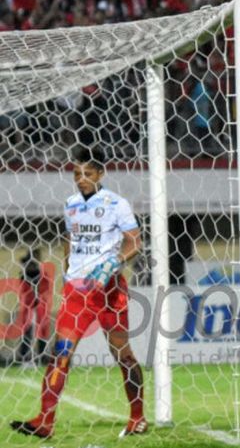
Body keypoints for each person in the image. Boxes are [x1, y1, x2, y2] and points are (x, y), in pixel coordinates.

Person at [10, 146, 147, 439]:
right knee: (61, 355)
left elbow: (135, 242)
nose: (81, 179)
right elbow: (70, 238)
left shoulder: (116, 203)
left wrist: (115, 261)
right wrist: (69, 270)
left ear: (100, 174)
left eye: (87, 173)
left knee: (123, 355)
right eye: (76, 173)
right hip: (77, 291)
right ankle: (44, 421)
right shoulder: (71, 204)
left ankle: (138, 417)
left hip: (109, 290)